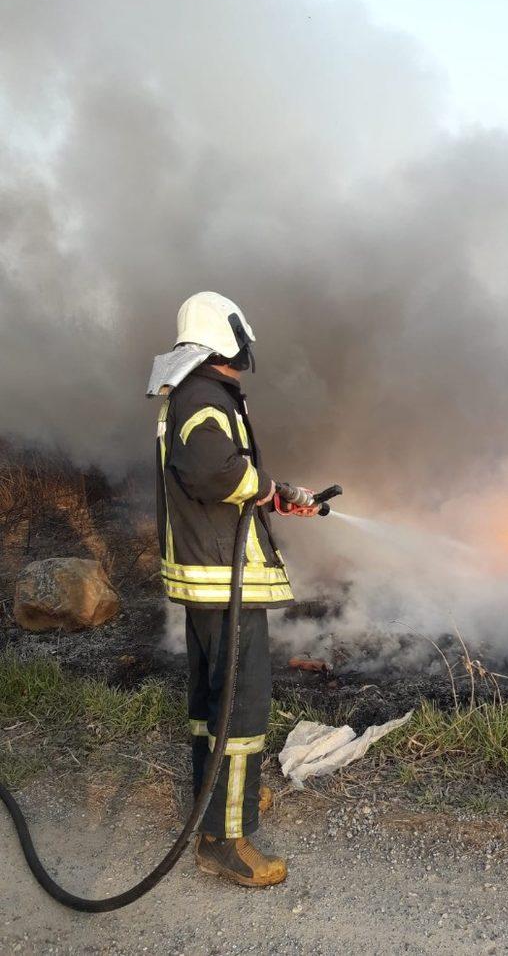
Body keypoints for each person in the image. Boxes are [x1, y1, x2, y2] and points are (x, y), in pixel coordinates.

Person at [148, 291, 305, 887]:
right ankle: (224, 837)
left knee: (213, 697)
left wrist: (275, 493)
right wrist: (262, 483)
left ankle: (214, 798)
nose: (250, 345)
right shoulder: (205, 395)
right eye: (243, 333)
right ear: (224, 336)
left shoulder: (191, 393)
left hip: (208, 572)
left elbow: (219, 474)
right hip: (222, 577)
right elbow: (213, 470)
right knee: (241, 705)